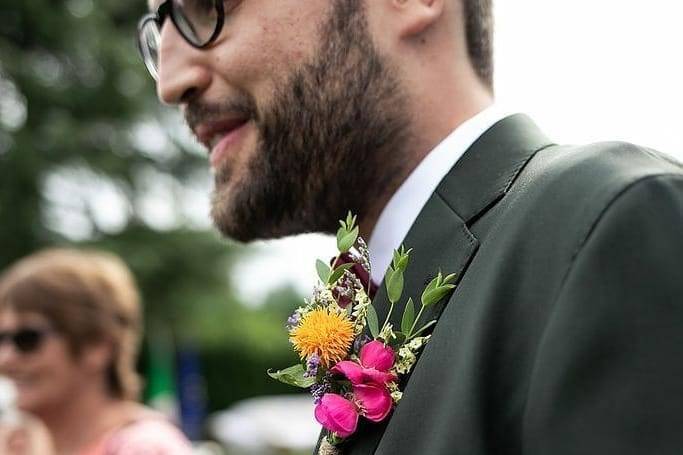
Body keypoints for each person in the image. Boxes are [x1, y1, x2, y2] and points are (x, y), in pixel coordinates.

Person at [137, 1, 683, 453]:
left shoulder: (612, 222)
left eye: (205, 6)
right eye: (156, 31)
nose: (171, 79)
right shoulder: (393, 289)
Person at [0, 249, 194, 455]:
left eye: (27, 339)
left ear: (98, 345)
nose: (5, 359)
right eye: (1, 339)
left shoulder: (141, 447)